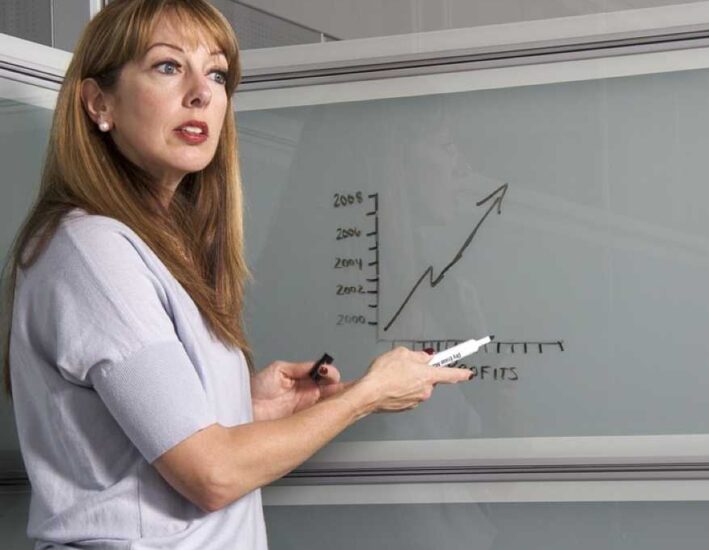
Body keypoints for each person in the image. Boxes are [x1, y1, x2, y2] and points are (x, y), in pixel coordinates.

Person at [0, 1, 472, 548]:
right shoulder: (94, 253)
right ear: (98, 101)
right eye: (168, 66)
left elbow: (138, 435)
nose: (201, 92)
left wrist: (248, 405)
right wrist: (366, 394)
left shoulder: (156, 249)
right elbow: (212, 475)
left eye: (217, 73)